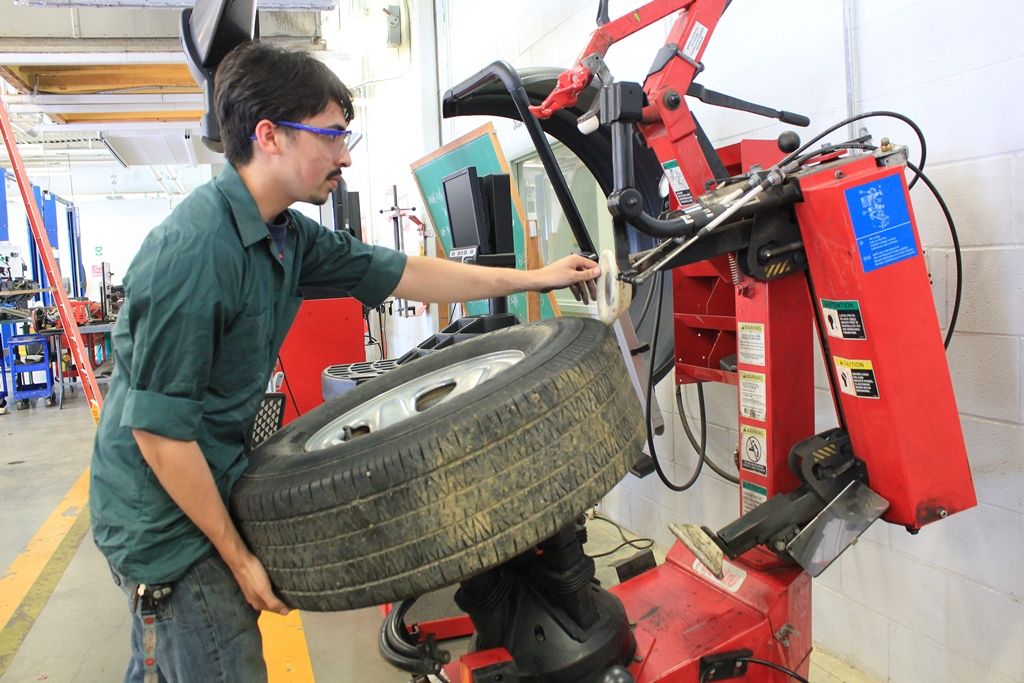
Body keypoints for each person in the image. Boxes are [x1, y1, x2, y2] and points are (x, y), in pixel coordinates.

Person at [88, 41, 600, 682]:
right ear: (269, 136)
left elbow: (406, 272)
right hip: (168, 524)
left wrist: (537, 278)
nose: (346, 156)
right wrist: (239, 558)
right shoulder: (193, 252)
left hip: (205, 487)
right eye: (332, 136)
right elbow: (159, 435)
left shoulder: (286, 235)